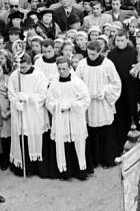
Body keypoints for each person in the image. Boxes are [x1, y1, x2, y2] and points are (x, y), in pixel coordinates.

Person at [75, 41, 122, 169]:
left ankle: (107, 159)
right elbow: (76, 82)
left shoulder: (107, 64)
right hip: (89, 104)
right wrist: (84, 95)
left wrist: (105, 91)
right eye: (89, 54)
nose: (91, 57)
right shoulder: (82, 64)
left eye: (94, 54)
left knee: (105, 132)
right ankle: (94, 160)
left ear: (99, 52)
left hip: (103, 104)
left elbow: (116, 83)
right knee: (92, 133)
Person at [46, 56, 91, 180]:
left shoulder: (77, 82)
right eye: (59, 69)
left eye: (64, 69)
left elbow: (86, 100)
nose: (62, 71)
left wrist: (72, 105)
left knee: (78, 142)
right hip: (61, 120)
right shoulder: (54, 84)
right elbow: (49, 102)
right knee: (63, 144)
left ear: (70, 68)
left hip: (75, 118)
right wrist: (59, 106)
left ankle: (80, 171)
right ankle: (65, 172)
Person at [8, 53, 50, 177]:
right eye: (20, 67)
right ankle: (25, 168)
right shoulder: (15, 75)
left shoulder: (39, 75)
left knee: (37, 138)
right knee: (23, 138)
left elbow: (43, 95)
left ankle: (39, 168)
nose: (22, 70)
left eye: (24, 67)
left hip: (34, 113)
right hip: (20, 113)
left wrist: (28, 98)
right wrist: (16, 102)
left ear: (30, 64)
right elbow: (11, 93)